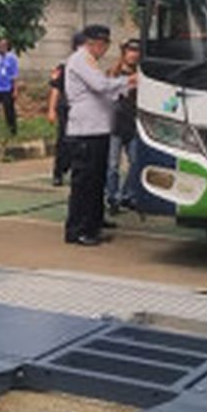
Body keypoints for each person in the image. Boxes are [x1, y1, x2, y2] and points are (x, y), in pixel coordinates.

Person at [64, 24, 137, 246]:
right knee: (85, 182)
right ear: (94, 43)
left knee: (97, 180)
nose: (104, 50)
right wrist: (128, 81)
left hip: (98, 128)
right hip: (86, 129)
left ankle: (93, 222)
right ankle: (78, 229)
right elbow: (100, 85)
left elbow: (107, 90)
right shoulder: (80, 59)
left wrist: (124, 86)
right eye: (103, 45)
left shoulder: (91, 61)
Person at [106, 39, 142, 215]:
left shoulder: (142, 74)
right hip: (115, 124)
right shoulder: (114, 73)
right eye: (131, 50)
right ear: (124, 52)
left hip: (133, 124)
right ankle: (112, 197)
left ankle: (127, 195)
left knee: (136, 162)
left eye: (137, 51)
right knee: (113, 165)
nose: (134, 54)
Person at [48, 31, 86, 186]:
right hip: (66, 109)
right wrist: (51, 109)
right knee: (63, 142)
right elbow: (56, 89)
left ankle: (74, 170)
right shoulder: (65, 66)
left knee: (79, 143)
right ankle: (58, 172)